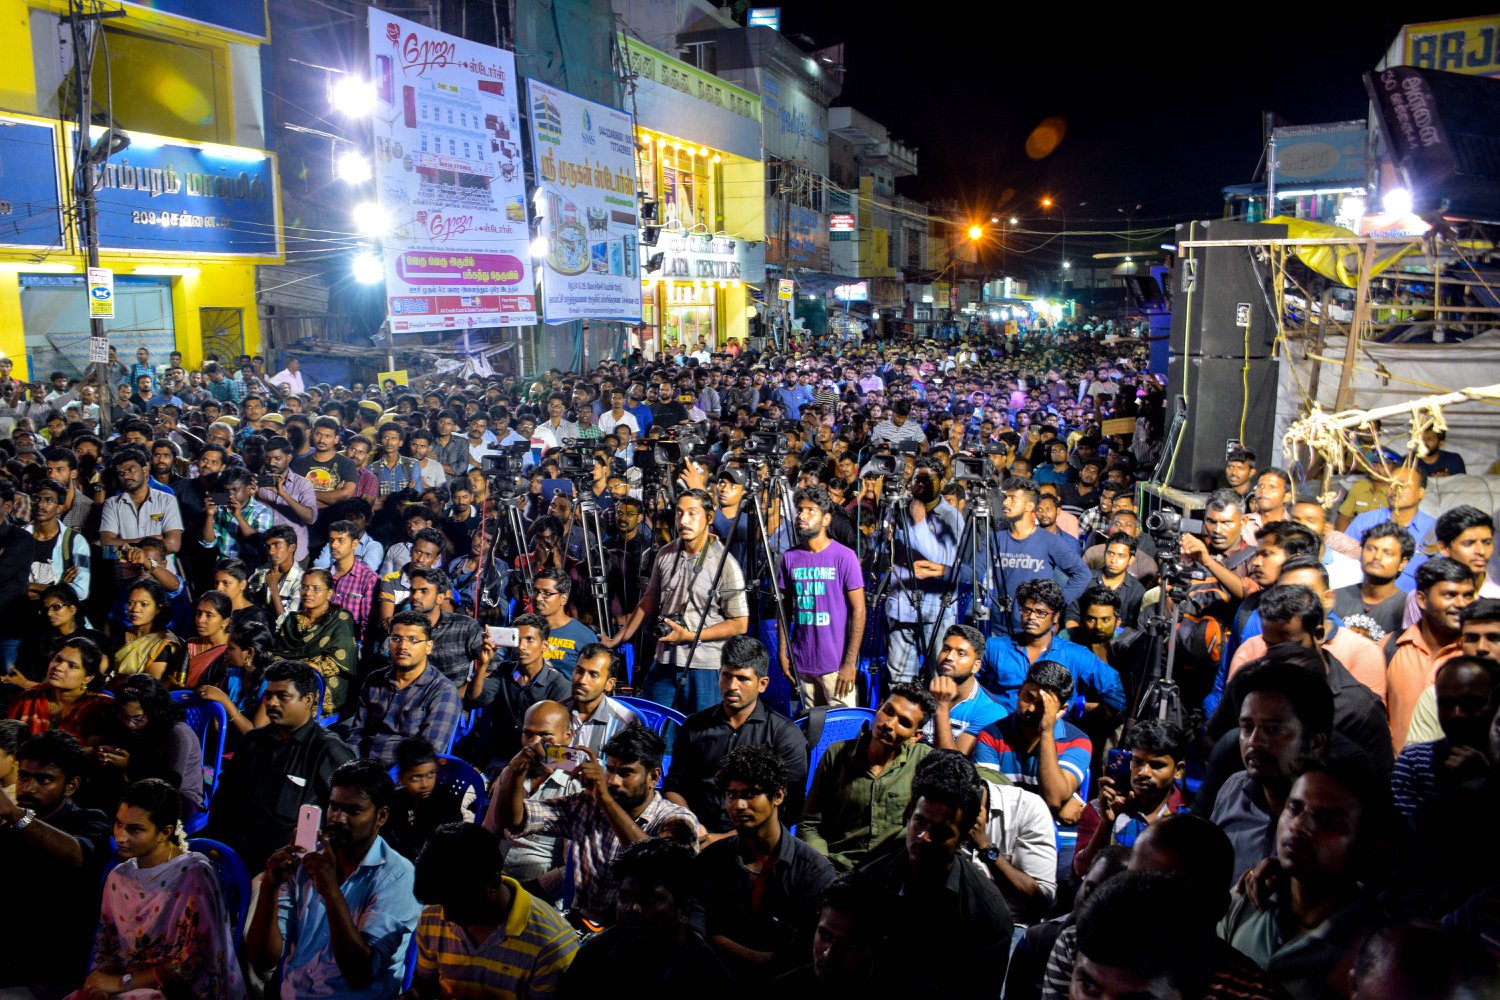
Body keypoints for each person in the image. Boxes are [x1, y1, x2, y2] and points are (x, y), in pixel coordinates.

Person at [245, 758, 421, 1000]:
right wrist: (269, 888)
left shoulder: (398, 877)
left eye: (353, 811)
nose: (338, 818)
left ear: (381, 816)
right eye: (334, 806)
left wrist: (331, 892)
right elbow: (263, 960)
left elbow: (361, 973)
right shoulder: (306, 861)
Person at [492, 723, 697, 927]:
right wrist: (515, 773)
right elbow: (511, 819)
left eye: (625, 773)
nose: (613, 781)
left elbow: (658, 870)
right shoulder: (587, 804)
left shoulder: (676, 820)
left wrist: (606, 800)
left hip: (646, 932)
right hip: (586, 925)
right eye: (610, 770)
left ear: (653, 777)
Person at [1218, 761, 1392, 1000]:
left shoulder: (1375, 950)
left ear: (1368, 844)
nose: (1298, 826)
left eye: (1327, 821)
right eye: (1294, 809)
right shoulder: (1247, 901)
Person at [849, 750, 1014, 994]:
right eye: (920, 822)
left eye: (941, 832)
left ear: (963, 839)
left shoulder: (986, 914)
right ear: (909, 814)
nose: (924, 837)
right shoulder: (870, 879)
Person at [80, 778, 245, 1000]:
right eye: (118, 824)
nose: (120, 837)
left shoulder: (193, 874)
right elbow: (105, 948)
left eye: (135, 829)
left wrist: (121, 983)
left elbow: (192, 963)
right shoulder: (119, 876)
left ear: (165, 832)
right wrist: (100, 985)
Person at [692, 745, 836, 980]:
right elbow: (695, 935)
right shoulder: (711, 860)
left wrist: (718, 941)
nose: (738, 805)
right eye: (732, 795)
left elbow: (801, 958)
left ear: (778, 796)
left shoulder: (813, 872)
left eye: (750, 794)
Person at [604, 490, 751, 713]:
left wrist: (690, 636)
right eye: (679, 513)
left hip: (704, 665)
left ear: (709, 517)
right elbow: (649, 600)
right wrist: (616, 639)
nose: (684, 521)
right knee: (654, 723)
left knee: (701, 728)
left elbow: (740, 623)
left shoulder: (725, 563)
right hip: (665, 658)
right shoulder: (665, 554)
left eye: (692, 513)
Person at [202, 659, 355, 870]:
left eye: (282, 696)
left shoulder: (327, 751)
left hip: (289, 868)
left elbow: (346, 820)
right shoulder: (253, 741)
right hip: (232, 856)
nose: (272, 703)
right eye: (268, 695)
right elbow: (224, 799)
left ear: (308, 700)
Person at [664, 636, 807, 845]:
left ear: (762, 684)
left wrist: (724, 839)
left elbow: (789, 808)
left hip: (756, 841)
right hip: (696, 835)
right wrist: (689, 822)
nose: (732, 686)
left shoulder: (784, 735)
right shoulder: (694, 726)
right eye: (726, 676)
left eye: (742, 679)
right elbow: (673, 786)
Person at [0, 730, 112, 996]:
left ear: (70, 785)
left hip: (48, 971)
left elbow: (78, 855)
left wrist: (16, 815)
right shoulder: (9, 827)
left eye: (44, 779)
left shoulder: (90, 820)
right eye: (23, 777)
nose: (28, 788)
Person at [408, 820, 578, 996]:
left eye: (457, 902)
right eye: (443, 903)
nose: (446, 916)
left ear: (492, 883)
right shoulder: (433, 914)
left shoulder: (552, 944)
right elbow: (427, 986)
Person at [1209, 658, 1334, 882]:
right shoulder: (1233, 792)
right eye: (1247, 727)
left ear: (1315, 743)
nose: (1254, 741)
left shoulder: (1336, 819)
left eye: (1274, 729)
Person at [560, 837, 736, 992]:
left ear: (683, 910)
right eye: (625, 897)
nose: (632, 908)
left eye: (649, 899)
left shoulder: (709, 978)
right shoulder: (595, 955)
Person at [974, 660, 1094, 879]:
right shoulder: (991, 735)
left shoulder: (1077, 741)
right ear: (1019, 691)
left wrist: (1047, 731)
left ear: (1061, 710)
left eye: (1043, 706)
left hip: (1059, 834)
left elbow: (1053, 798)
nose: (1030, 709)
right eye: (1027, 697)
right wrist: (1057, 804)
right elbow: (989, 797)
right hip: (1004, 829)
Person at [798, 683, 935, 871]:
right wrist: (823, 866)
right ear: (878, 707)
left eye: (904, 722)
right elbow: (810, 824)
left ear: (915, 736)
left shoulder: (924, 761)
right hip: (839, 869)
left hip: (894, 873)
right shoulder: (836, 754)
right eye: (888, 711)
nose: (889, 724)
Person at [776, 484, 866, 707]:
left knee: (842, 726)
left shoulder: (845, 557)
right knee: (810, 724)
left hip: (836, 666)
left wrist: (849, 663)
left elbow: (859, 611)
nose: (802, 516)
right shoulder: (790, 557)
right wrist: (782, 650)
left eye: (811, 510)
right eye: (800, 510)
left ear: (826, 519)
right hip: (802, 662)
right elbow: (783, 609)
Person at [981, 578, 1125, 717]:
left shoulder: (1075, 655)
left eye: (1040, 613)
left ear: (1055, 616)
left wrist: (1082, 711)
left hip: (1053, 731)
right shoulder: (995, 647)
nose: (1031, 617)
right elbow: (971, 684)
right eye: (1027, 610)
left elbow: (1116, 690)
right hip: (1001, 728)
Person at [335, 610, 463, 766]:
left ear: (428, 647)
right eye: (396, 638)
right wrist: (353, 768)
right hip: (362, 768)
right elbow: (356, 734)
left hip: (401, 774)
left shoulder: (442, 691)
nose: (403, 646)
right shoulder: (374, 680)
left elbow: (427, 755)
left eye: (412, 640)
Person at [76, 673, 203, 823]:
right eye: (124, 716)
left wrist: (129, 766)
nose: (130, 724)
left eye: (138, 718)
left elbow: (168, 785)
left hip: (177, 797)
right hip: (135, 786)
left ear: (154, 710)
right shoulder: (122, 723)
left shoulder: (178, 733)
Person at [480, 700, 578, 894]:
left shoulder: (575, 783)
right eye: (528, 734)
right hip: (496, 881)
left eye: (545, 735)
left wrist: (527, 891)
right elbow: (489, 832)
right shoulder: (512, 771)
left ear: (567, 736)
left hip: (540, 891)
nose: (534, 743)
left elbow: (572, 867)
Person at [881, 459, 964, 684]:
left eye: (928, 480)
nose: (920, 484)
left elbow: (945, 561)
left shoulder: (951, 516)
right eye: (917, 479)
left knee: (940, 677)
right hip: (901, 606)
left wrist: (919, 523)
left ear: (941, 483)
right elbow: (884, 551)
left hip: (936, 610)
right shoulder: (899, 508)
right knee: (899, 679)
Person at [1072, 719, 1188, 877]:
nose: (1144, 772)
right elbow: (1082, 871)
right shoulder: (1099, 808)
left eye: (1156, 765)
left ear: (1178, 770)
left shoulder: (1187, 817)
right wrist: (1106, 823)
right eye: (1137, 762)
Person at [1387, 557, 1474, 751]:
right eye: (1450, 595)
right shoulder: (1392, 646)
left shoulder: (1475, 654)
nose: (1461, 604)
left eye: (1468, 596)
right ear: (1422, 600)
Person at [990, 477, 1091, 635]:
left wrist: (1056, 604)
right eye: (1005, 498)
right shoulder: (996, 538)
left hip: (1035, 628)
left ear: (1030, 506)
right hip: (999, 627)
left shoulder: (1050, 540)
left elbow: (1082, 574)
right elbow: (972, 571)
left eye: (1013, 498)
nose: (1005, 503)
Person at [965, 766, 1059, 927]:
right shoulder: (930, 814)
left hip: (1013, 922)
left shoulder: (1027, 807)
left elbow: (1041, 901)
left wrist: (986, 848)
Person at [474, 612, 572, 765]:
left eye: (529, 639)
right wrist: (482, 664)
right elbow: (477, 699)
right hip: (497, 758)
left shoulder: (560, 686)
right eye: (517, 640)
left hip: (538, 762)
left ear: (544, 646)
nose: (521, 646)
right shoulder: (504, 671)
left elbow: (562, 746)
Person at [274, 569, 360, 716]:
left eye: (316, 589)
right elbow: (277, 653)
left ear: (329, 593)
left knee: (297, 695)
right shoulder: (292, 620)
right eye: (305, 587)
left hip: (324, 679)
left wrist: (304, 668)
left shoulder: (341, 619)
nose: (308, 593)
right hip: (289, 674)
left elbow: (336, 662)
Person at [1398, 505, 1499, 629]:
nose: (1481, 551)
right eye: (1469, 543)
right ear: (1444, 548)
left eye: (1487, 543)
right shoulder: (1423, 598)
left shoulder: (1496, 593)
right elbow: (1413, 639)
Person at [1345, 466, 1436, 591]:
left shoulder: (1433, 530)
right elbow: (1343, 564)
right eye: (1391, 483)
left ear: (1421, 492)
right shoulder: (1364, 522)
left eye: (1403, 485)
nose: (1395, 489)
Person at [927, 623, 1008, 754]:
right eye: (946, 649)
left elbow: (952, 762)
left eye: (960, 653)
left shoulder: (990, 710)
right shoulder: (923, 693)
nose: (949, 657)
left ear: (976, 666)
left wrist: (941, 707)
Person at [7, 637, 111, 737]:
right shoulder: (28, 698)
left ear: (88, 677)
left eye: (72, 666)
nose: (58, 667)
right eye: (57, 659)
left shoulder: (100, 708)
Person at [383, 736, 464, 862]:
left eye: (430, 775)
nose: (425, 784)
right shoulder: (395, 801)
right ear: (401, 778)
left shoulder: (447, 803)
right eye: (416, 778)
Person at [1331, 521, 1413, 638]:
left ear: (1402, 563)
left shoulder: (1408, 610)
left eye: (1388, 553)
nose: (1377, 557)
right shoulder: (1335, 597)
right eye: (1371, 549)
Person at [563, 643, 639, 757]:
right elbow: (551, 761)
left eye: (593, 675)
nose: (582, 680)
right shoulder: (555, 713)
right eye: (579, 671)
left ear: (609, 684)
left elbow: (628, 765)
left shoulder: (624, 721)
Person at [1064, 531, 1144, 630]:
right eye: (1110, 553)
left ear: (1131, 560)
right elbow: (1072, 614)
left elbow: (1134, 628)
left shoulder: (1137, 590)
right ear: (1104, 553)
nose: (1113, 560)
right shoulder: (1085, 579)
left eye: (1121, 556)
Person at [112, 578, 184, 683]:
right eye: (130, 603)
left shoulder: (163, 643)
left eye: (144, 604)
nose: (135, 609)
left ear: (159, 608)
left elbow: (150, 683)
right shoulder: (119, 635)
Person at [530, 568, 599, 674]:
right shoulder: (525, 629)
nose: (538, 598)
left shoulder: (584, 636)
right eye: (536, 591)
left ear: (563, 599)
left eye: (547, 593)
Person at [248, 524, 306, 628]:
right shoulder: (261, 572)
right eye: (268, 546)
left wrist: (273, 589)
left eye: (277, 545)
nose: (271, 551)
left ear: (292, 547)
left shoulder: (301, 580)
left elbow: (287, 624)